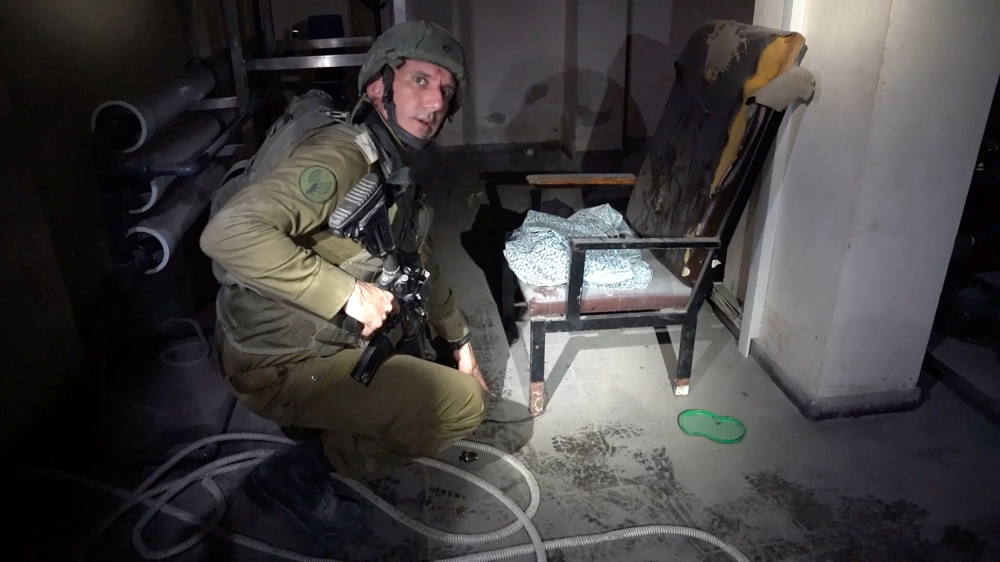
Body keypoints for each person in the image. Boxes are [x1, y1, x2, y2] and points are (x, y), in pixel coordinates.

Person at [199, 21, 488, 539]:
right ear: (379, 86)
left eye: (445, 90)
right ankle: (296, 477)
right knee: (461, 405)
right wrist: (349, 294)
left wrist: (460, 340)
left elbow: (418, 257)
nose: (437, 101)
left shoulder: (387, 160)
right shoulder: (345, 155)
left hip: (280, 337)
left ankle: (315, 418)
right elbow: (229, 234)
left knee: (424, 348)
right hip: (273, 361)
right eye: (420, 81)